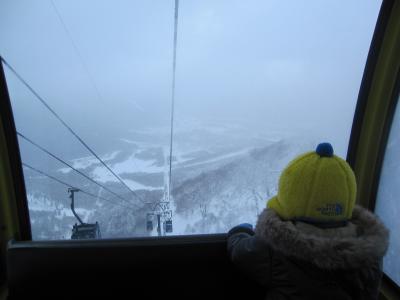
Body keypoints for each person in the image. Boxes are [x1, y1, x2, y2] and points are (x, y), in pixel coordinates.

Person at [227, 143, 389, 300]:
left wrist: (239, 231)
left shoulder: (276, 246)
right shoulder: (369, 253)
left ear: (290, 200)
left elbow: (240, 253)